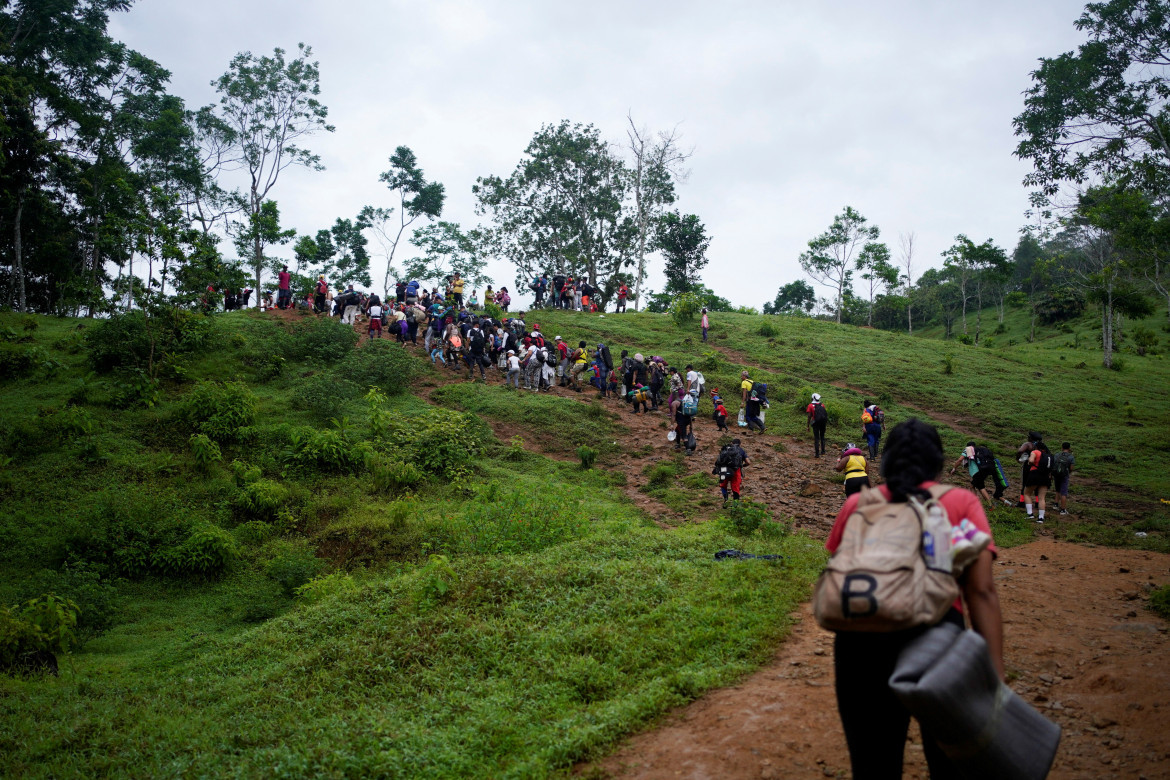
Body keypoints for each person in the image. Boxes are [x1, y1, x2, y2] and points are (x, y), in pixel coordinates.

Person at [827, 418, 1003, 780]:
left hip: (860, 644)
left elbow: (840, 569)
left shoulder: (858, 504)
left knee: (873, 763)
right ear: (937, 462)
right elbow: (981, 591)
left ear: (886, 460)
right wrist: (994, 674)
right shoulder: (960, 502)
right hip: (938, 642)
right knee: (948, 760)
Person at [949, 442, 1007, 507]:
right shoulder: (978, 451)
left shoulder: (968, 449)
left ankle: (984, 504)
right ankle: (988, 504)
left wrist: (954, 468)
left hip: (977, 471)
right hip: (984, 470)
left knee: (975, 486)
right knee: (979, 486)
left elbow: (960, 460)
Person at [1023, 435, 1054, 523]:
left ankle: (1030, 514)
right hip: (1045, 476)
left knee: (1027, 493)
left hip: (1035, 474)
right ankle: (1041, 518)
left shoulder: (1035, 452)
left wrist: (1029, 461)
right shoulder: (1049, 455)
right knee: (1042, 498)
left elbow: (1032, 461)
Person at [713, 438, 749, 506]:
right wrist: (742, 465)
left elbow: (719, 460)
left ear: (731, 443)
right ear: (739, 444)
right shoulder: (741, 450)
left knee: (723, 485)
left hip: (724, 469)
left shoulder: (726, 449)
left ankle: (726, 500)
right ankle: (735, 504)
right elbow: (748, 462)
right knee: (735, 486)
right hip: (736, 470)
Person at [1054, 442, 1075, 515]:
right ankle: (1063, 509)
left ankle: (1055, 504)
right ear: (1069, 448)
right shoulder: (1071, 457)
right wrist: (1068, 472)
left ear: (1062, 448)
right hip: (1064, 475)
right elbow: (1071, 468)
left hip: (1056, 474)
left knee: (1057, 490)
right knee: (1063, 493)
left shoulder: (1057, 455)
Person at [807, 393, 829, 457]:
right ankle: (823, 452)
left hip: (815, 423)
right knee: (822, 437)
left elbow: (809, 416)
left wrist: (808, 425)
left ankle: (817, 454)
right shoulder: (822, 405)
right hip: (823, 423)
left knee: (816, 438)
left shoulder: (810, 405)